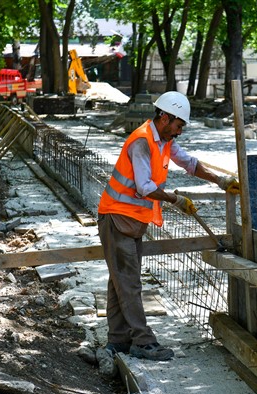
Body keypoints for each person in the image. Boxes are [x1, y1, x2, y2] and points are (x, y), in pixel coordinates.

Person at [95, 91, 239, 377]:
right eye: (178, 124)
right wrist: (177, 200)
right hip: (116, 217)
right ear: (165, 117)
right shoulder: (142, 142)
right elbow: (145, 187)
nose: (180, 130)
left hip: (132, 220)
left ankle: (118, 340)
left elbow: (190, 163)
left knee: (120, 282)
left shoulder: (164, 141)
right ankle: (143, 342)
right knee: (129, 282)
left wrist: (220, 179)